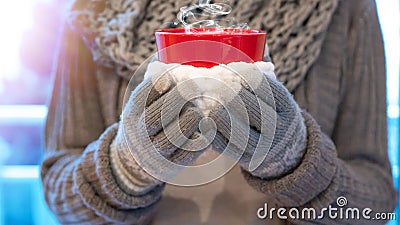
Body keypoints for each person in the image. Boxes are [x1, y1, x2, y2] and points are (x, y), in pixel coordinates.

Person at [41, 0, 397, 224]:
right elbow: (58, 192)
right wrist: (124, 168)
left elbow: (378, 203)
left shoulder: (343, 8)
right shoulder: (94, 11)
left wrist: (297, 160)